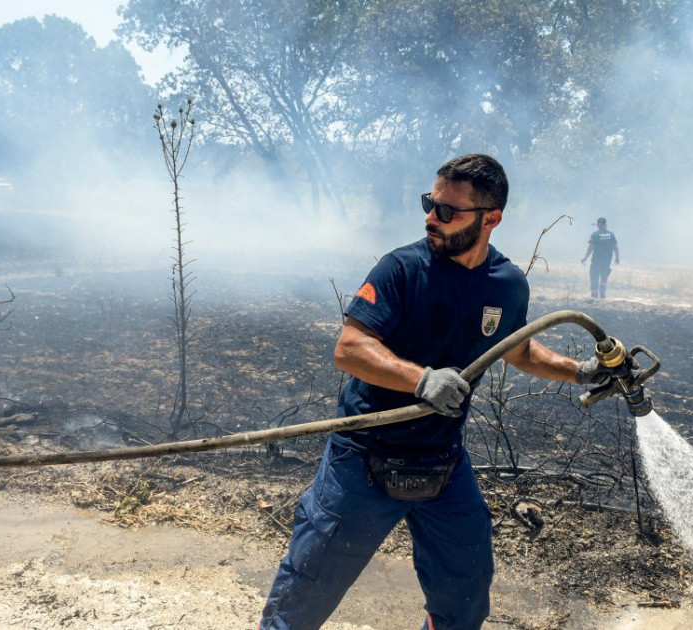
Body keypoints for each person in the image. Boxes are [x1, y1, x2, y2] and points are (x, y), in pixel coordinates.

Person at [258, 154, 616, 630]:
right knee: (304, 596)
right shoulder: (401, 269)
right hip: (365, 457)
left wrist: (580, 371)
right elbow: (350, 348)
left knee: (465, 595)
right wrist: (422, 379)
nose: (431, 217)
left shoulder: (506, 284)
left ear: (491, 218)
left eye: (447, 211)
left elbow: (518, 349)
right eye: (430, 204)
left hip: (443, 463)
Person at [581, 217, 619, 299]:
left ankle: (594, 296)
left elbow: (591, 247)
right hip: (607, 261)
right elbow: (615, 247)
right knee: (604, 278)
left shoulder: (595, 235)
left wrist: (585, 258)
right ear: (605, 225)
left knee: (594, 277)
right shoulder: (611, 235)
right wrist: (617, 258)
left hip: (596, 261)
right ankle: (602, 294)